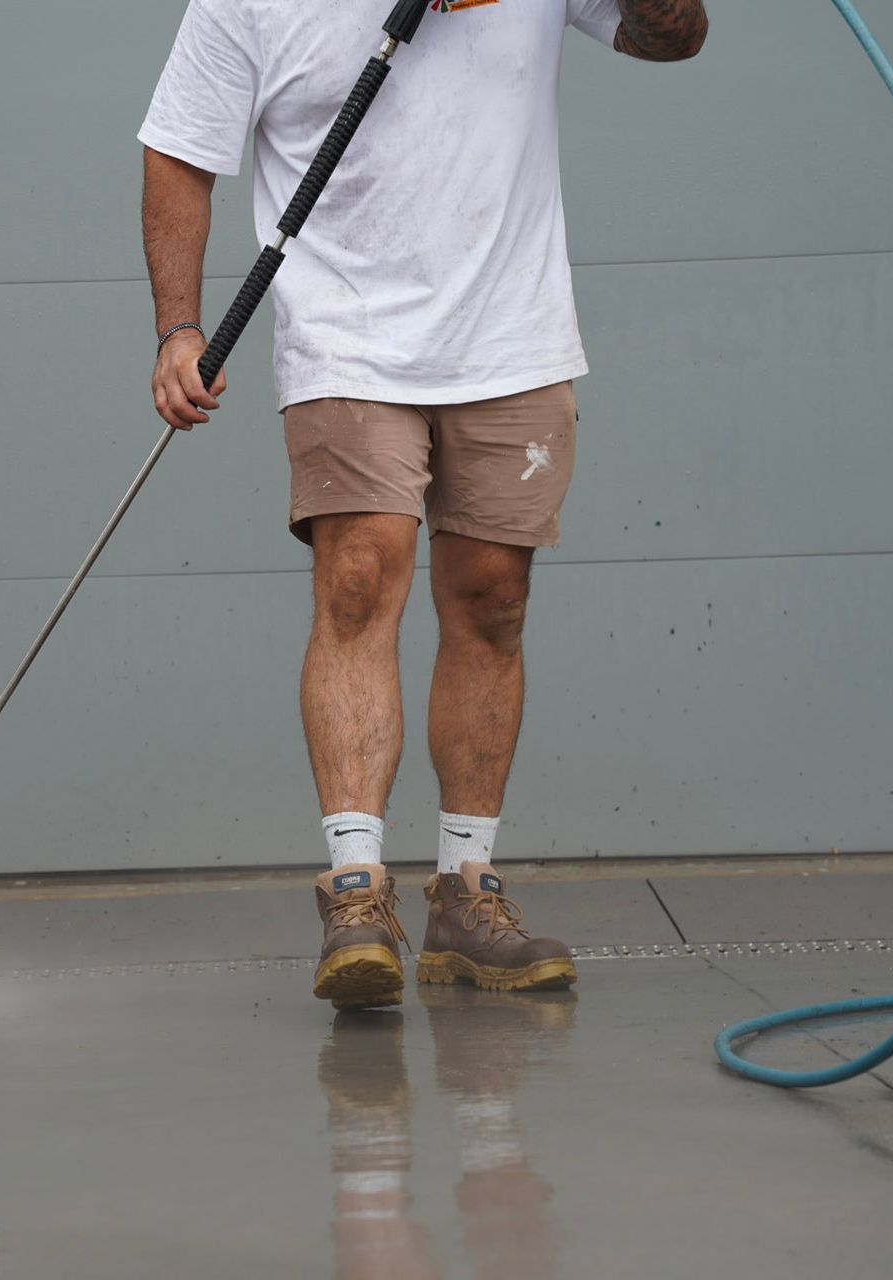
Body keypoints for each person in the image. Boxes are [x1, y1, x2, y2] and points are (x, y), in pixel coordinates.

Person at [139, 0, 707, 1009]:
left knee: (492, 598)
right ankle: (356, 889)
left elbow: (673, 33)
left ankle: (464, 891)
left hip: (511, 332)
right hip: (344, 333)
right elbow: (180, 150)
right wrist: (178, 327)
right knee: (359, 575)